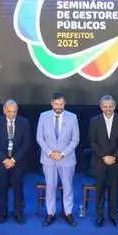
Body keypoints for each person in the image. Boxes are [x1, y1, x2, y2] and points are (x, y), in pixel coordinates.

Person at [36, 92, 78, 227]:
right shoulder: (43, 116)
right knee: (50, 187)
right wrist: (49, 152)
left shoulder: (72, 117)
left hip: (67, 159)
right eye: (56, 104)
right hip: (48, 159)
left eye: (61, 104)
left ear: (64, 104)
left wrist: (63, 154)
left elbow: (75, 139)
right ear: (51, 103)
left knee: (68, 187)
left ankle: (68, 212)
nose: (58, 107)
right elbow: (39, 137)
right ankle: (50, 213)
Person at [89, 95, 118, 227]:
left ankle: (113, 215)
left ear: (114, 106)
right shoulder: (94, 121)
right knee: (99, 190)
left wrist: (114, 156)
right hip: (100, 162)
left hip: (116, 162)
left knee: (114, 190)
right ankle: (99, 216)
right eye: (105, 106)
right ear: (101, 107)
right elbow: (92, 142)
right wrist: (104, 157)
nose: (108, 109)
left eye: (110, 106)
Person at [0, 99, 31, 224]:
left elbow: (26, 143)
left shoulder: (24, 122)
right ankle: (2, 212)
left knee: (18, 187)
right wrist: (4, 160)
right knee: (2, 187)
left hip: (17, 161)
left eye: (14, 112)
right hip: (0, 161)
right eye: (9, 112)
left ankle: (18, 212)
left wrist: (13, 159)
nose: (11, 115)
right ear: (4, 110)